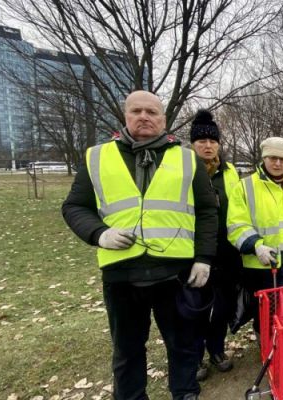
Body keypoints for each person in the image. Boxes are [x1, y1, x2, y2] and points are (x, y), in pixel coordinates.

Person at [62, 90, 218, 400]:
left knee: (183, 346)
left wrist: (204, 257)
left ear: (163, 119)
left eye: (151, 112)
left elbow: (206, 210)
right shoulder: (97, 157)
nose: (144, 116)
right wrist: (99, 234)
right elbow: (75, 206)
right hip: (123, 274)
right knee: (127, 351)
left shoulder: (187, 158)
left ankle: (185, 394)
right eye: (136, 111)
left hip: (175, 274)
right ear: (125, 116)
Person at [226, 137, 283, 332]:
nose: (277, 163)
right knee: (267, 310)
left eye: (282, 159)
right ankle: (268, 345)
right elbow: (236, 225)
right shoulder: (245, 187)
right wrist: (256, 245)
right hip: (265, 263)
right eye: (272, 158)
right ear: (264, 158)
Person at [189, 110, 242, 379]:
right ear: (193, 145)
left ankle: (217, 349)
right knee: (197, 308)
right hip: (196, 254)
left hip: (227, 252)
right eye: (201, 142)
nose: (207, 146)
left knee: (222, 306)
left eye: (212, 141)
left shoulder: (231, 172)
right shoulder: (185, 171)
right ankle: (196, 358)